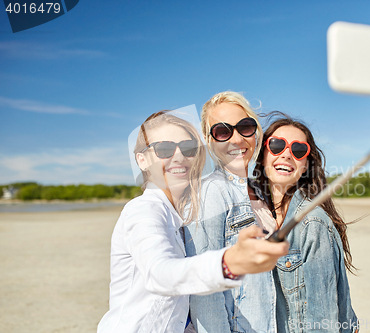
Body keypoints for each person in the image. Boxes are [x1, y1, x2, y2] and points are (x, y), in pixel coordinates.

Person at [97, 110, 288, 333]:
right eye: (164, 149)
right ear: (142, 160)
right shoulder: (144, 209)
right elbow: (160, 274)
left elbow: (177, 308)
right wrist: (229, 262)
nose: (178, 156)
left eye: (187, 148)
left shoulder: (180, 216)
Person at [253, 113, 359, 333]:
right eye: (276, 145)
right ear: (263, 154)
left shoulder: (312, 223)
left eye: (298, 150)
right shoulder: (256, 213)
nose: (287, 155)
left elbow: (322, 322)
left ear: (305, 166)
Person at [184, 92, 278, 333]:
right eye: (223, 132)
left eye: (245, 127)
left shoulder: (259, 191)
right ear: (209, 140)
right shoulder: (211, 192)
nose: (236, 139)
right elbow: (204, 289)